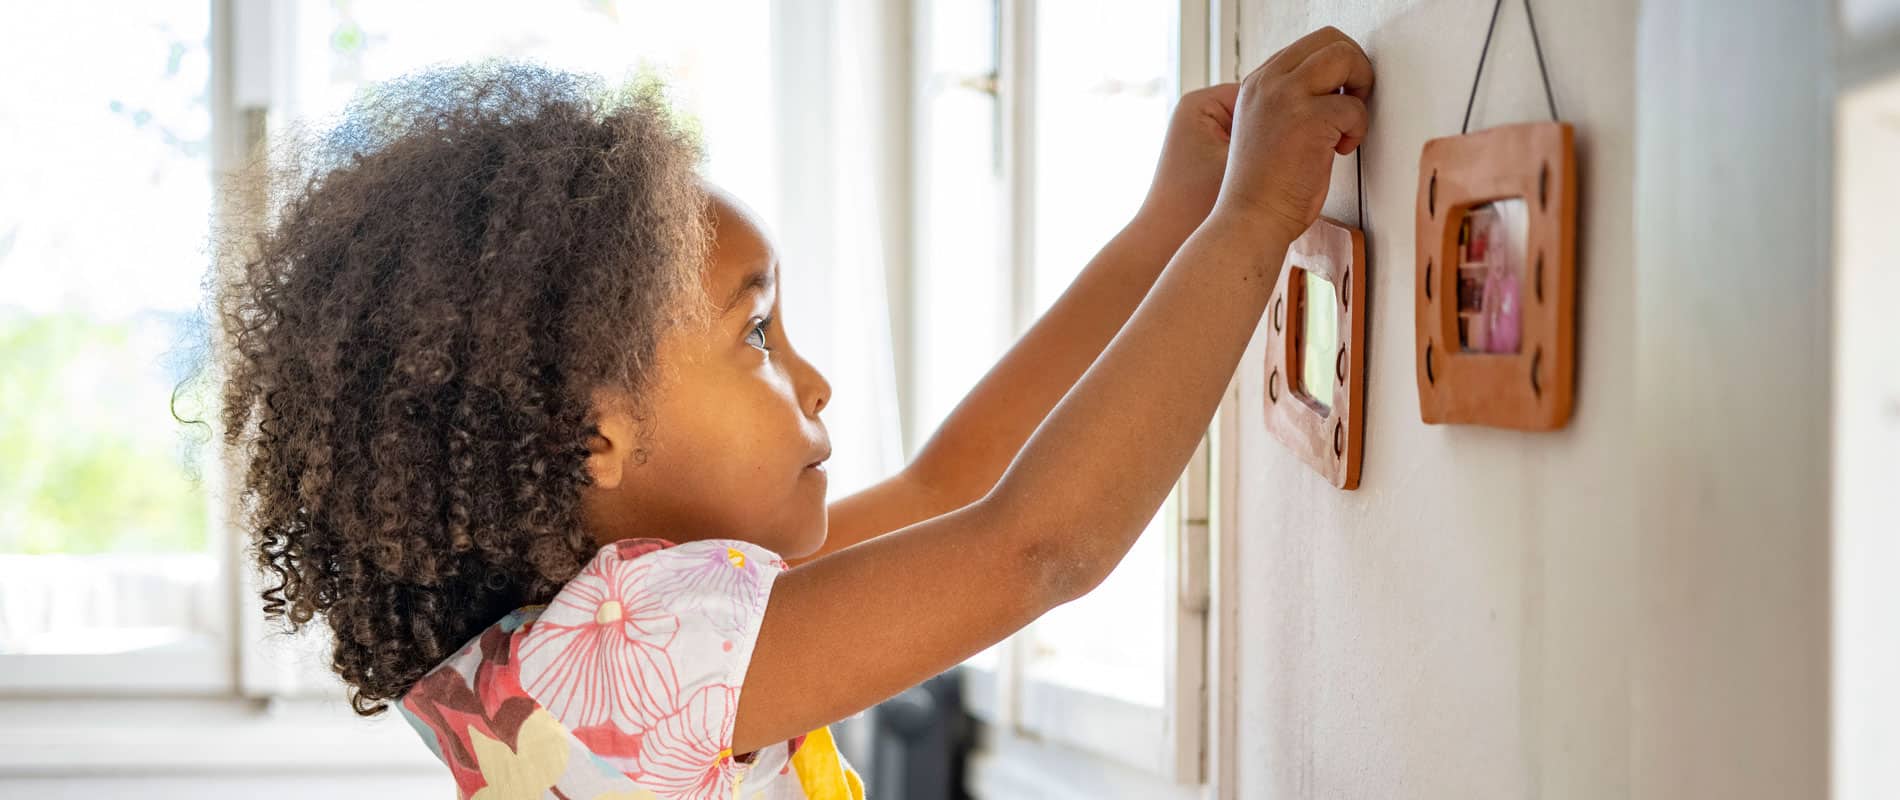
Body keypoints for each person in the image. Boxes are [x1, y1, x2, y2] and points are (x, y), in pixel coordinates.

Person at [208, 26, 1372, 800]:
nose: (811, 381)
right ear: (586, 435)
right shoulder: (630, 651)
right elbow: (1033, 545)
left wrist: (1169, 221)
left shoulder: (573, 643)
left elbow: (947, 487)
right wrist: (1252, 220)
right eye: (756, 335)